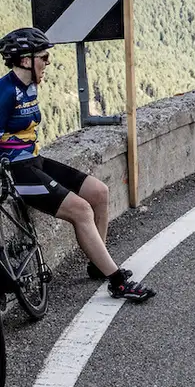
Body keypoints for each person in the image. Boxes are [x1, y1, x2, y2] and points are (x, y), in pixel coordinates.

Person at [0, 28, 156, 302]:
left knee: (99, 193)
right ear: (25, 60)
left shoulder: (30, 86)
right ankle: (117, 282)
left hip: (34, 160)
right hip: (18, 172)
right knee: (81, 210)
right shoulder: (5, 92)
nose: (48, 62)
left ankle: (98, 264)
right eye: (43, 57)